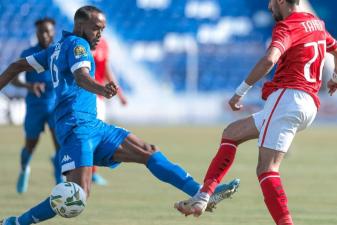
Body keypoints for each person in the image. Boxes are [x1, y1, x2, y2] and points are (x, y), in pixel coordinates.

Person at [0, 6, 238, 225]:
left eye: (103, 29)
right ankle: (17, 222)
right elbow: (82, 77)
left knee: (147, 150)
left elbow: (15, 67)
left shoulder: (54, 49)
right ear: (81, 26)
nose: (100, 34)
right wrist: (101, 89)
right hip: (76, 128)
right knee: (76, 196)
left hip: (91, 125)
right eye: (96, 28)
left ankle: (201, 194)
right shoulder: (78, 46)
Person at [174, 0, 337, 224]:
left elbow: (269, 60)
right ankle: (203, 196)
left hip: (288, 98)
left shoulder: (287, 26)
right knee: (232, 133)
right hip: (308, 104)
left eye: (272, 1)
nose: (268, 6)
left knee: (267, 169)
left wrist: (240, 91)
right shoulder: (317, 24)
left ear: (282, 1)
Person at [11, 17, 63, 193]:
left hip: (56, 105)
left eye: (48, 31)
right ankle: (24, 168)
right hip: (35, 106)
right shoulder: (28, 53)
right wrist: (29, 86)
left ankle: (59, 181)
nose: (45, 34)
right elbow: (15, 79)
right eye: (41, 31)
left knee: (60, 144)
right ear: (36, 33)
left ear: (53, 32)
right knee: (30, 145)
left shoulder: (60, 51)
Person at [90, 37, 128, 185]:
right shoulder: (81, 42)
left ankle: (92, 172)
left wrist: (120, 95)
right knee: (85, 135)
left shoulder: (104, 43)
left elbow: (106, 70)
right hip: (83, 96)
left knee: (94, 136)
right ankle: (68, 165)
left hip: (99, 97)